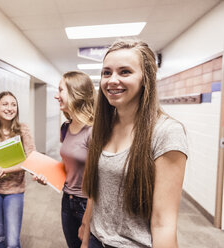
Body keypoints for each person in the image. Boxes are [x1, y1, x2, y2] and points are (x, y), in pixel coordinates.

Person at [80, 39, 188, 248]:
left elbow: (163, 223)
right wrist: (85, 240)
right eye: (106, 72)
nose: (112, 80)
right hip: (96, 239)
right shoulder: (101, 128)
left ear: (145, 79)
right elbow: (96, 194)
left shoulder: (166, 132)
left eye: (125, 72)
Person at [36, 71, 96, 248]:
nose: (56, 96)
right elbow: (69, 165)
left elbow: (97, 180)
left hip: (87, 204)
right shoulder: (66, 128)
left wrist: (86, 221)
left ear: (75, 93)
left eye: (60, 90)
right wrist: (47, 175)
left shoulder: (93, 131)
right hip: (67, 201)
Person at [0, 91, 35, 248]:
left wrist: (3, 170)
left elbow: (31, 160)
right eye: (5, 104)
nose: (10, 108)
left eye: (13, 104)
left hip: (14, 190)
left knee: (12, 242)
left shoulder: (23, 129)